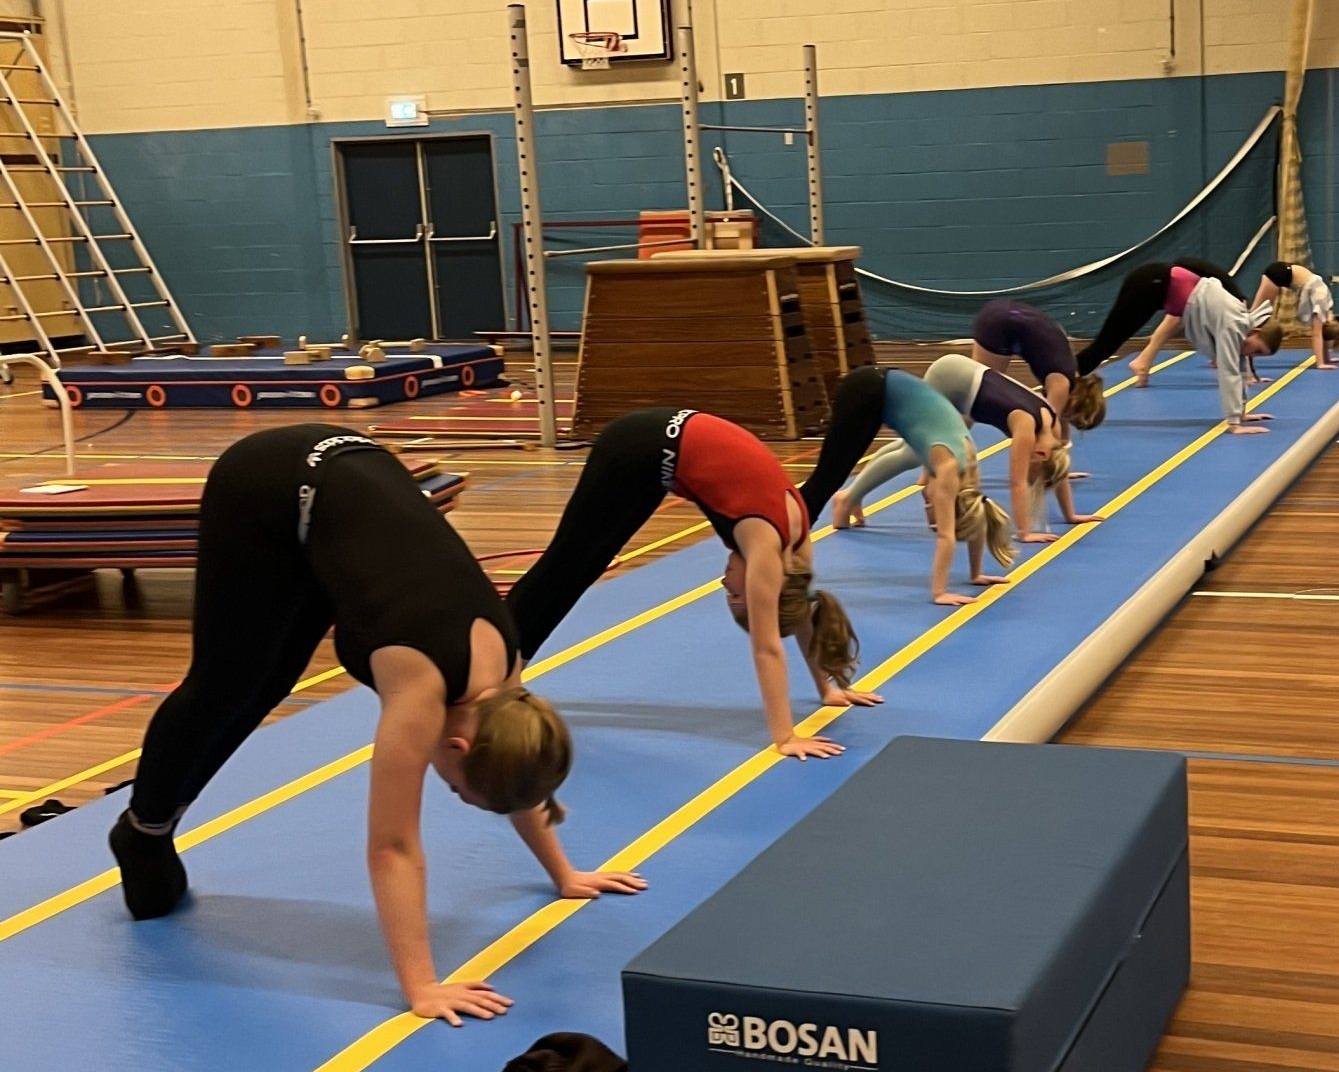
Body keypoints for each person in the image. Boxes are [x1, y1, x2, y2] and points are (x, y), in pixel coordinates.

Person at [109, 427, 637, 1027]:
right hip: (268, 482)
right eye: (456, 788)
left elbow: (522, 760)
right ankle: (143, 830)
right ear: (457, 744)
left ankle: (154, 825)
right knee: (227, 685)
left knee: (271, 681)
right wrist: (422, 986)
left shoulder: (507, 683)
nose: (450, 788)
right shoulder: (421, 687)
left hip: (340, 485)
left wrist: (564, 873)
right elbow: (393, 846)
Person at [509, 407, 880, 759]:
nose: (724, 582)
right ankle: (496, 665)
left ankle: (511, 669)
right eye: (734, 592)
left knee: (587, 564)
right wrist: (785, 736)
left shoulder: (796, 546)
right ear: (760, 584)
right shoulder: (764, 547)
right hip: (638, 445)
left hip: (657, 455)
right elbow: (768, 648)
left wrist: (827, 689)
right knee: (565, 562)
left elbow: (802, 610)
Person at [801, 364, 1017, 605]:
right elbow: (946, 537)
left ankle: (830, 511)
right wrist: (939, 592)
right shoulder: (948, 470)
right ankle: (789, 545)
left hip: (884, 386)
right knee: (827, 479)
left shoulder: (969, 473)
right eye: (932, 511)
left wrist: (976, 574)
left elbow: (976, 518)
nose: (927, 508)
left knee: (839, 469)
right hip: (870, 390)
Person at [826, 354, 1094, 544]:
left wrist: (1070, 515)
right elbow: (1017, 483)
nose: (1030, 474)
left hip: (963, 375)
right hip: (951, 378)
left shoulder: (1051, 431)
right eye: (1035, 474)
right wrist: (1024, 532)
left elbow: (1058, 471)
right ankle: (847, 498)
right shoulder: (1026, 427)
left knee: (911, 447)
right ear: (1041, 455)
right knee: (915, 452)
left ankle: (856, 493)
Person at [1128, 275, 1281, 430]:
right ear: (1254, 331)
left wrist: (1240, 413)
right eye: (1257, 350)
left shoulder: (1241, 329)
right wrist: (1234, 424)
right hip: (1170, 281)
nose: (1253, 356)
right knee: (1117, 332)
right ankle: (1140, 362)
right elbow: (1229, 373)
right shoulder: (1234, 326)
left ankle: (1141, 361)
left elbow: (1239, 372)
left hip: (1185, 287)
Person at [1075, 256, 1238, 376]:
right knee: (1107, 344)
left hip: (1159, 282)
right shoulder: (1235, 309)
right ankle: (1067, 376)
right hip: (1152, 282)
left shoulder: (1230, 309)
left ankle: (1070, 374)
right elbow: (1182, 323)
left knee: (1107, 344)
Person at [971, 298, 1107, 431]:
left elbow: (1058, 419)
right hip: (1003, 324)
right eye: (1071, 420)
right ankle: (960, 438)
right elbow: (1047, 427)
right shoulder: (1061, 385)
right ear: (1074, 408)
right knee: (975, 394)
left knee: (976, 390)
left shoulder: (1069, 372)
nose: (1067, 421)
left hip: (1004, 310)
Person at [1256, 259, 1339, 368]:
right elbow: (1317, 335)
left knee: (1256, 316)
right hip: (1278, 273)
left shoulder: (1329, 312)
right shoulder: (1321, 303)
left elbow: (1321, 335)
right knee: (1256, 316)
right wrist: (1321, 363)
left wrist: (1327, 359)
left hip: (1284, 272)